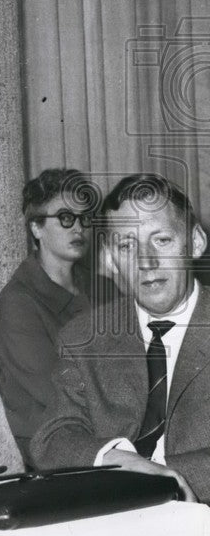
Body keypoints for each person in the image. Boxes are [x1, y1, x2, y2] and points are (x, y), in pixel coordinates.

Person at [30, 173, 208, 501]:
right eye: (128, 245)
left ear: (195, 242)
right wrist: (117, 460)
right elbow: (52, 438)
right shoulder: (85, 336)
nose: (146, 262)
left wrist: (165, 477)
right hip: (112, 513)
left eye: (162, 240)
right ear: (112, 259)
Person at [0, 168, 98, 465]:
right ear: (36, 228)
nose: (78, 227)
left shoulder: (106, 289)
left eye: (84, 218)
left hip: (116, 429)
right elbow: (59, 393)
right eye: (65, 218)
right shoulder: (19, 303)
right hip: (63, 444)